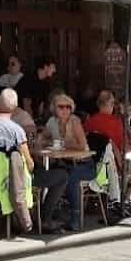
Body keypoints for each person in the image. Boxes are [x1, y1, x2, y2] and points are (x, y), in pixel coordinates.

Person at [0, 88, 36, 233]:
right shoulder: (16, 130)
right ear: (15, 106)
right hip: (10, 183)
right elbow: (28, 161)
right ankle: (28, 220)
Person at [43, 94, 95, 232]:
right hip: (65, 162)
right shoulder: (52, 122)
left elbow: (82, 146)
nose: (65, 110)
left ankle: (75, 219)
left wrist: (63, 144)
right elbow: (42, 137)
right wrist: (48, 142)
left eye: (68, 107)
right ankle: (48, 214)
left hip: (84, 164)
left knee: (71, 177)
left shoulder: (74, 122)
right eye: (61, 107)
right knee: (53, 174)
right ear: (54, 108)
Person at [84, 90, 125, 159]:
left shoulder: (89, 121)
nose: (114, 106)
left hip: (93, 160)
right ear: (110, 104)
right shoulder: (116, 123)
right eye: (113, 103)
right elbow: (122, 147)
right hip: (112, 161)